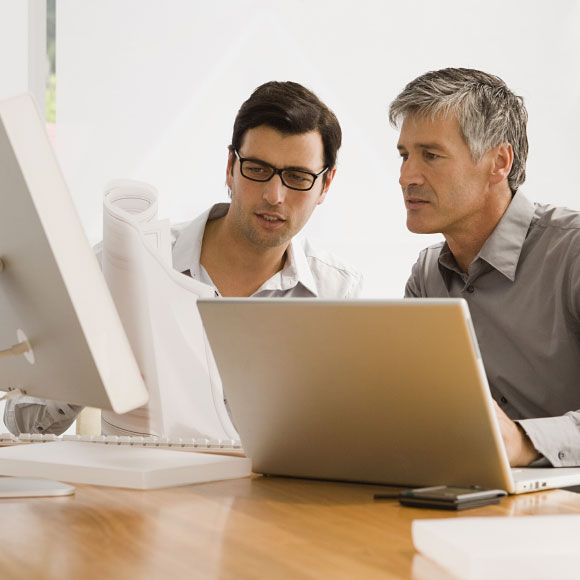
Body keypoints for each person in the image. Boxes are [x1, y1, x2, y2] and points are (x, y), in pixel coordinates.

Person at [5, 80, 362, 436]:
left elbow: (345, 436)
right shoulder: (127, 263)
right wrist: (93, 361)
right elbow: (21, 421)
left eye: (297, 177)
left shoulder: (335, 293)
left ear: (326, 185)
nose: (274, 195)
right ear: (230, 167)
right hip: (144, 473)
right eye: (257, 169)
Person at [389, 67, 580, 468]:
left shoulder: (573, 253)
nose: (406, 177)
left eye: (431, 155)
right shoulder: (426, 275)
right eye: (405, 155)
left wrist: (524, 442)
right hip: (477, 495)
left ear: (499, 162)